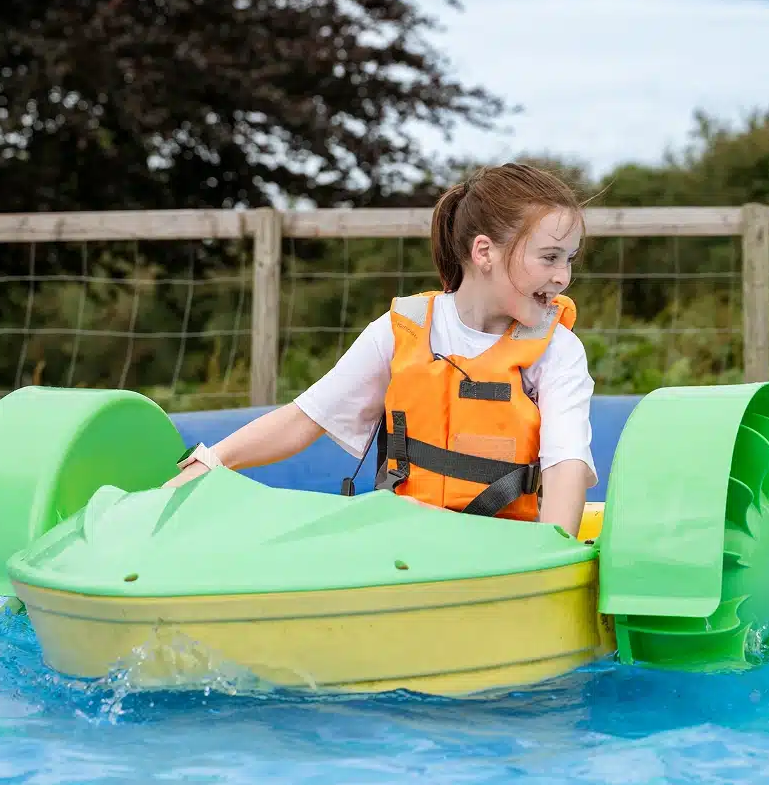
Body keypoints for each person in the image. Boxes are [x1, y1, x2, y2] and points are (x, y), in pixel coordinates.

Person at [166, 163, 597, 536]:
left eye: (570, 259)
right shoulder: (399, 331)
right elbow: (303, 419)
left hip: (500, 550)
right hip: (401, 544)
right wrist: (211, 461)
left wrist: (551, 554)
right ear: (483, 252)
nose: (563, 277)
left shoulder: (558, 350)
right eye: (550, 257)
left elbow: (565, 465)